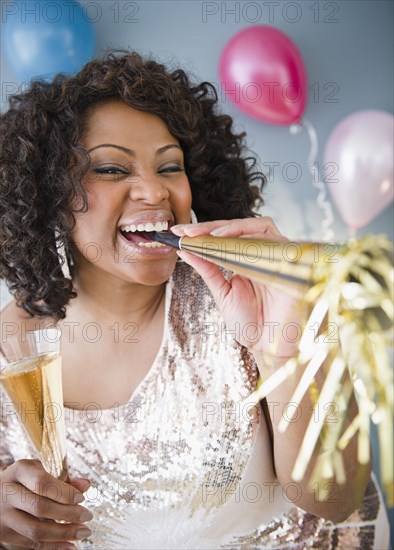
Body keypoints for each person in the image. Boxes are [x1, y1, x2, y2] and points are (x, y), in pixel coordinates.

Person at [0, 51, 389, 549]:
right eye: (113, 169)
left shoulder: (244, 297)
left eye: (170, 166)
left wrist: (289, 347)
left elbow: (333, 498)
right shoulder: (13, 349)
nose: (154, 191)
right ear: (49, 195)